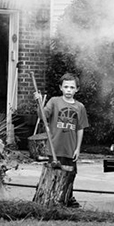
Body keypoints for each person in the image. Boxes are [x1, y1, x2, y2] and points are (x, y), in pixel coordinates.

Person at [35, 72, 89, 207]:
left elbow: (80, 128)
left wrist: (78, 148)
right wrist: (39, 102)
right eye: (66, 87)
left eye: (71, 87)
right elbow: (43, 116)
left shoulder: (80, 107)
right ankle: (48, 196)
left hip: (70, 149)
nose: (68, 90)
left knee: (70, 175)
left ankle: (67, 197)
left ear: (77, 89)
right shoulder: (54, 101)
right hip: (54, 148)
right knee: (52, 174)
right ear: (61, 87)